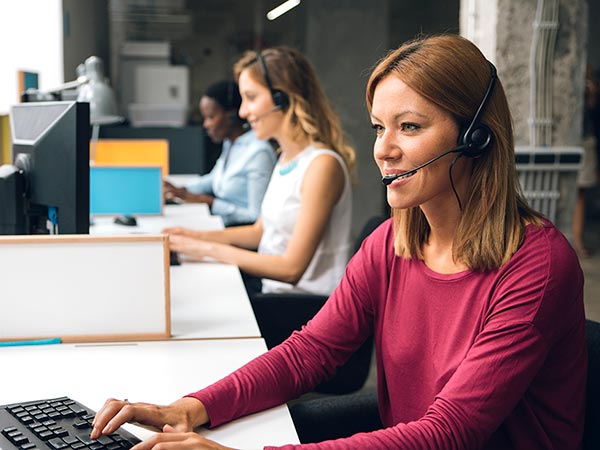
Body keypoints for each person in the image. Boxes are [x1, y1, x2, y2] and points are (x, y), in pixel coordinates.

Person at [90, 35, 586, 449]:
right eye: (378, 128)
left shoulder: (537, 265)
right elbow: (311, 352)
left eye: (409, 127)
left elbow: (450, 431)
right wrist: (192, 406)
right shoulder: (391, 242)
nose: (383, 150)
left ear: (476, 137)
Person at [163, 47, 355, 296]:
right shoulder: (286, 158)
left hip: (305, 309)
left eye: (251, 97)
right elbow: (259, 232)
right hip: (276, 294)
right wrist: (194, 236)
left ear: (282, 98)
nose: (242, 112)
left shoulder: (322, 166)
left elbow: (291, 268)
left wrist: (204, 249)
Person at [163, 80, 276, 227]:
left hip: (241, 232)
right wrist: (180, 190)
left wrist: (209, 202)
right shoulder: (231, 144)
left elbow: (255, 217)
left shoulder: (258, 153)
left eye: (210, 117)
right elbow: (214, 179)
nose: (206, 124)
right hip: (222, 224)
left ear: (231, 116)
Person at [571, 65, 599, 257]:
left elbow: (593, 114)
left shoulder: (590, 90)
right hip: (570, 138)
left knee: (580, 192)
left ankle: (578, 241)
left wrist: (591, 96)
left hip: (585, 139)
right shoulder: (570, 87)